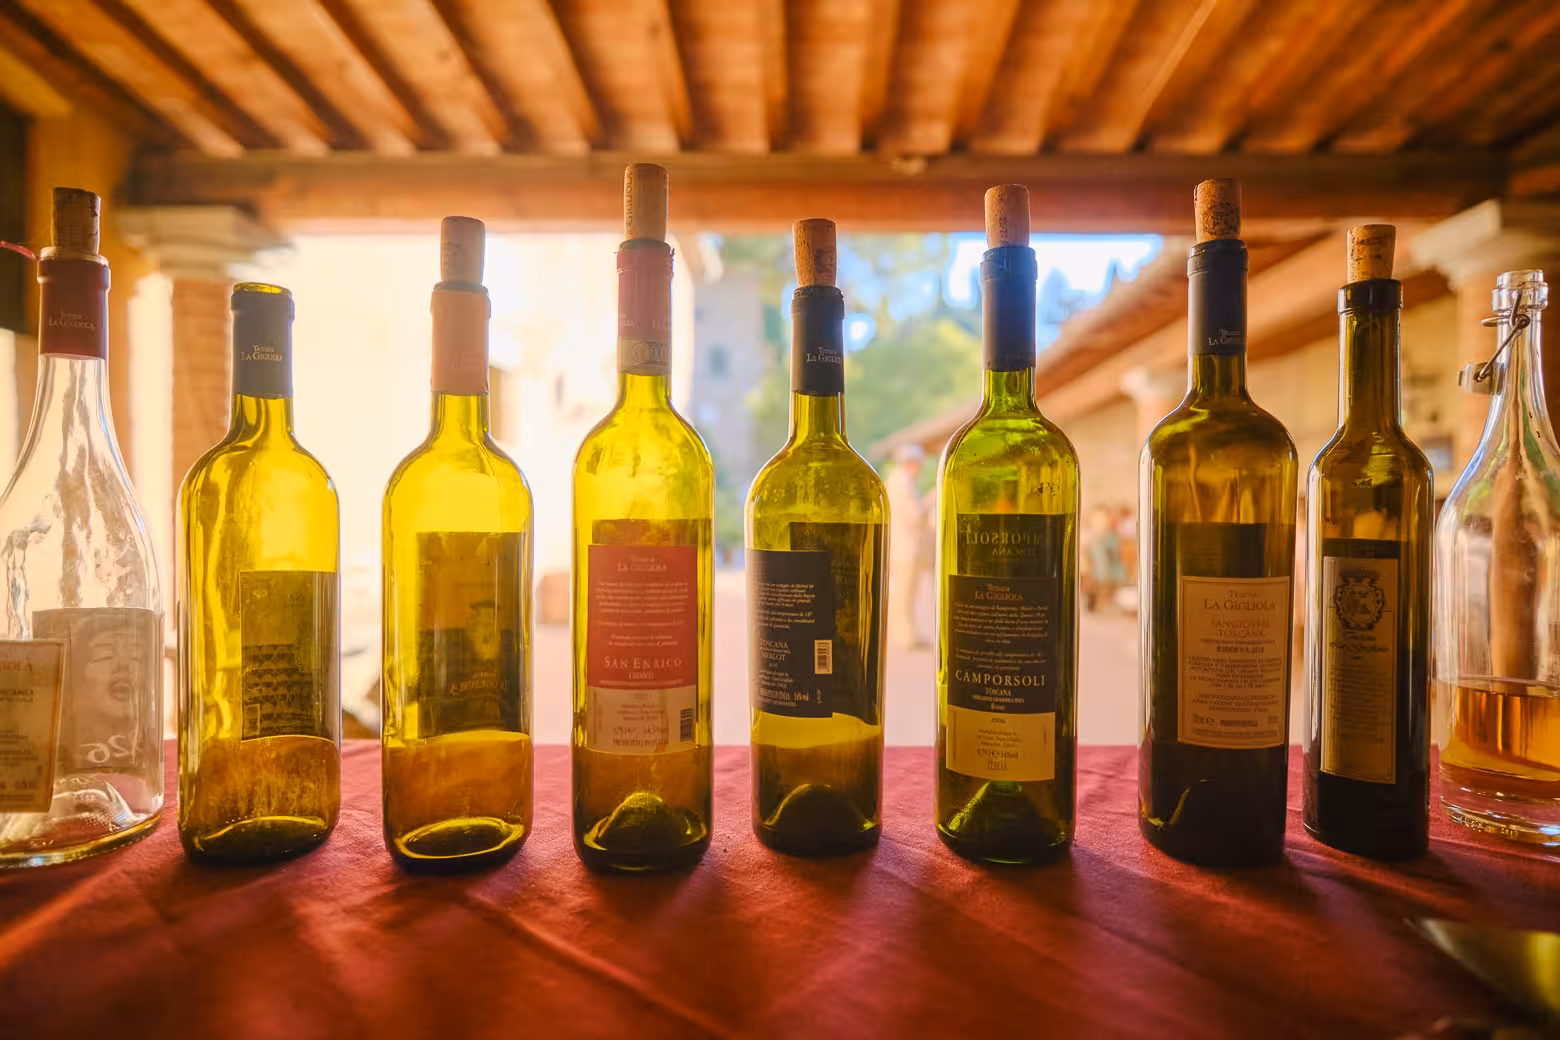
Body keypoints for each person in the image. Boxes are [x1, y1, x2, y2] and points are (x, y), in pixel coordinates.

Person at [885, 444, 933, 649]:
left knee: (907, 592)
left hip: (905, 547)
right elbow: (914, 516)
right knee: (904, 593)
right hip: (905, 548)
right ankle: (905, 636)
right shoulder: (901, 484)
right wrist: (930, 500)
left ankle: (908, 633)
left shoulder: (901, 482)